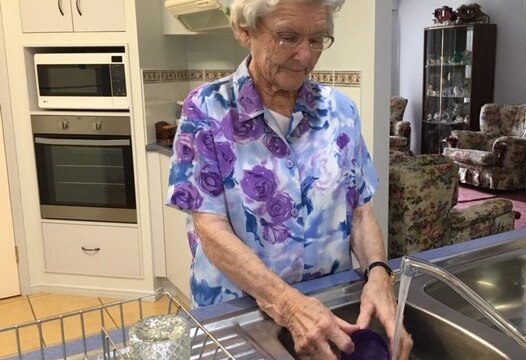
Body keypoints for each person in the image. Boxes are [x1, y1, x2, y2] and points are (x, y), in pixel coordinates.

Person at [166, 0, 412, 358]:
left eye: (316, 40)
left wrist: (378, 273)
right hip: (239, 318)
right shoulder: (206, 109)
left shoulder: (340, 111)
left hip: (328, 312)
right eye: (287, 37)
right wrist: (290, 306)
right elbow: (211, 228)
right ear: (243, 31)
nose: (304, 56)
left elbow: (360, 210)